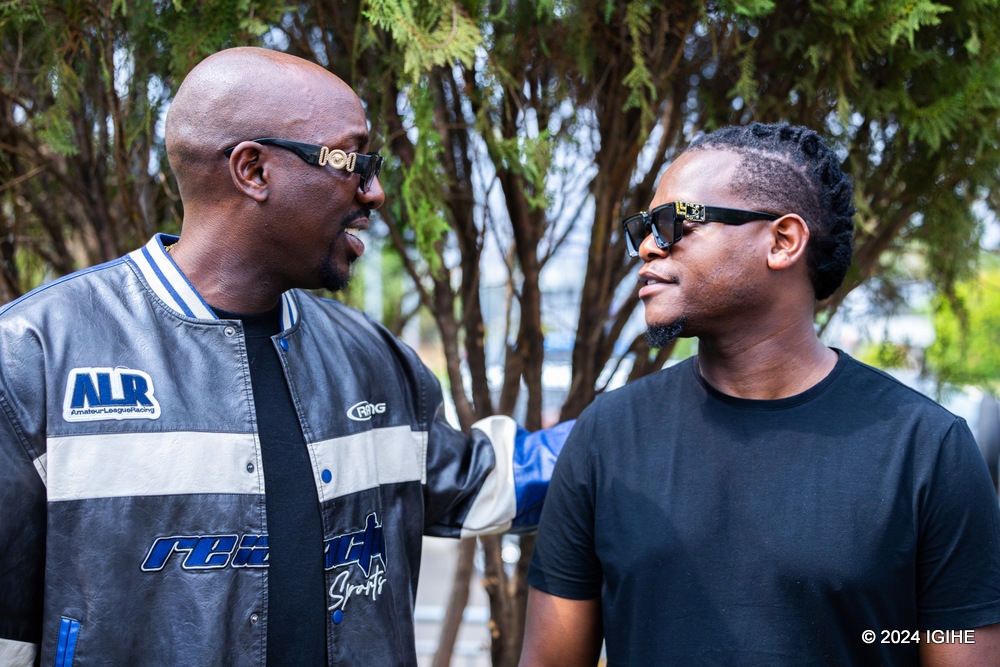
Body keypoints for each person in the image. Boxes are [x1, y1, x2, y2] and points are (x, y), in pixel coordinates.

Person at [0, 47, 566, 666]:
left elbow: (485, 484)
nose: (374, 192)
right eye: (353, 161)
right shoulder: (35, 355)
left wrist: (655, 420)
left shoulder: (369, 357)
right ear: (254, 170)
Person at [521, 123, 1000, 665]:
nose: (649, 246)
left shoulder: (926, 451)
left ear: (782, 241)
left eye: (674, 222)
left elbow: (958, 646)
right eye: (645, 228)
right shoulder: (607, 436)